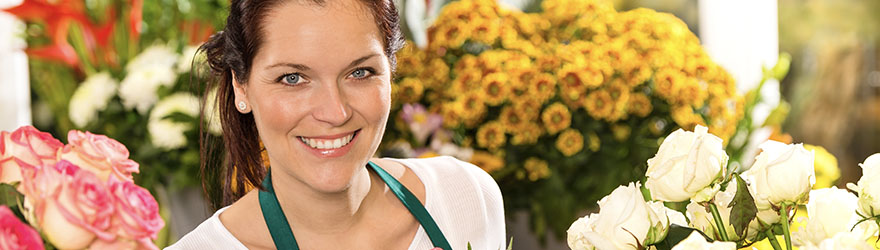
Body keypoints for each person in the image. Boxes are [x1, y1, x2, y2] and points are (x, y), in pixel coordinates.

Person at [166, 0, 505, 249]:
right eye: (293, 78)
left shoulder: (466, 196)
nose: (335, 112)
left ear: (391, 71)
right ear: (242, 87)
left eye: (360, 72)